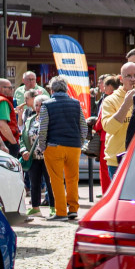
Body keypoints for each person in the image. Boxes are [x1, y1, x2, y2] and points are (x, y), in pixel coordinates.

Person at [38, 76, 87, 220]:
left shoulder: (46, 105)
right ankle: (73, 209)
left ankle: (61, 212)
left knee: (57, 180)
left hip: (54, 146)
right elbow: (83, 127)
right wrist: (80, 141)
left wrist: (42, 147)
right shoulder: (76, 104)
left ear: (51, 89)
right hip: (74, 146)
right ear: (66, 89)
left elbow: (43, 129)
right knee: (73, 179)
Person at [99, 61, 135, 188]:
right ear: (121, 79)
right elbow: (109, 128)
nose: (133, 79)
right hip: (118, 160)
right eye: (128, 76)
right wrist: (126, 104)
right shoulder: (110, 100)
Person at [18, 91, 52, 215]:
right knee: (34, 182)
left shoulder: (51, 119)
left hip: (48, 156)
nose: (38, 108)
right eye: (36, 105)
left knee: (50, 183)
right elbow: (23, 138)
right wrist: (24, 150)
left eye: (41, 105)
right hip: (33, 157)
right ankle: (35, 208)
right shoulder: (30, 119)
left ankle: (53, 208)